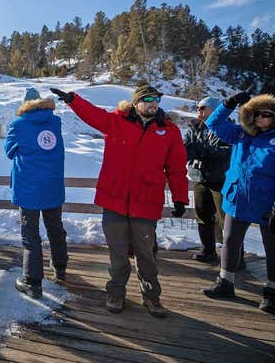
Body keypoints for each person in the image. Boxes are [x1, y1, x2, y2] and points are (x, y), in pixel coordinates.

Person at [50, 82, 189, 318]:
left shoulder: (170, 131)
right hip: (114, 200)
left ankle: (152, 297)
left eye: (156, 100)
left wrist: (179, 198)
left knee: (146, 255)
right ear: (136, 103)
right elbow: (93, 115)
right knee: (118, 253)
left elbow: (176, 169)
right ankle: (115, 293)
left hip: (146, 202)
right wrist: (73, 100)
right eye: (148, 100)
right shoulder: (116, 122)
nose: (153, 104)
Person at [203, 92, 275, 315]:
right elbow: (213, 123)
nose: (260, 118)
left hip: (267, 204)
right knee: (230, 240)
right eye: (256, 113)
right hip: (237, 198)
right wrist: (228, 104)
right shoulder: (241, 134)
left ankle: (272, 292)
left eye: (267, 114)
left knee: (272, 247)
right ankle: (225, 282)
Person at [5, 87, 68, 300]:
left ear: (24, 105)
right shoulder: (55, 122)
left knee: (30, 235)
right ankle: (60, 267)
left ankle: (32, 282)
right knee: (55, 228)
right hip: (52, 185)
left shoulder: (18, 124)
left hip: (28, 187)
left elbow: (9, 151)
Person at [184, 96, 233, 264]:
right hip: (200, 178)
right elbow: (185, 147)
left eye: (203, 108)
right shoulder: (194, 128)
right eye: (198, 108)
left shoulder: (228, 128)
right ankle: (208, 251)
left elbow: (227, 152)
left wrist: (201, 150)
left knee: (227, 221)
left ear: (214, 109)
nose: (199, 111)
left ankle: (234, 257)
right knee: (202, 216)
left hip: (222, 180)